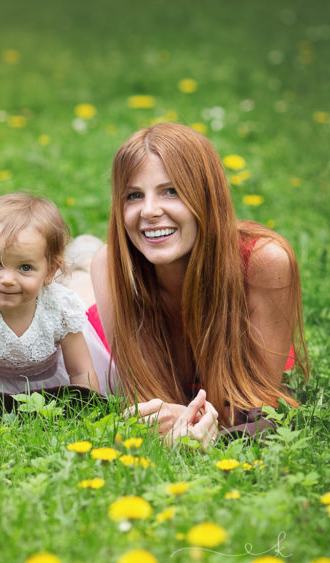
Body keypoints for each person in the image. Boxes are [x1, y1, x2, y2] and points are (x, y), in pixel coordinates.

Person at [88, 123, 307, 446]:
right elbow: (147, 405)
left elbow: (259, 404)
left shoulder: (264, 262)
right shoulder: (110, 267)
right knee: (76, 280)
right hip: (95, 327)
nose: (149, 211)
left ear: (207, 195)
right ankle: (77, 256)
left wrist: (193, 423)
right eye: (134, 195)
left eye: (171, 191)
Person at [0, 193, 109, 394]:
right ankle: (82, 259)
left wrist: (88, 409)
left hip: (50, 384)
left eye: (25, 267)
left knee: (84, 287)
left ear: (51, 271)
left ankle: (84, 261)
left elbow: (80, 373)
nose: (7, 279)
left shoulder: (61, 307)